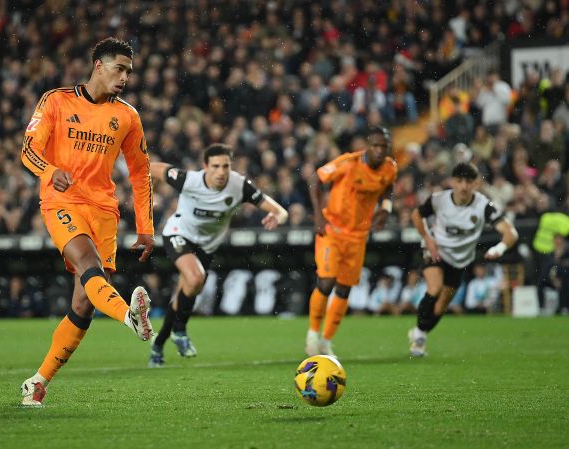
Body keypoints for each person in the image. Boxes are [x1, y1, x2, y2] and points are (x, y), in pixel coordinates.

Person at [19, 37, 155, 406]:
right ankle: (129, 316)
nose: (125, 77)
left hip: (104, 210)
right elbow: (27, 149)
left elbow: (141, 173)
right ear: (98, 65)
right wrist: (50, 170)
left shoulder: (127, 116)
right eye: (119, 68)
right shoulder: (57, 100)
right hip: (62, 201)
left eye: (128, 71)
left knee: (84, 304)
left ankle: (38, 382)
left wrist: (146, 228)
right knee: (88, 264)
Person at [147, 143, 289, 367]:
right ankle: (181, 331)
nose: (221, 172)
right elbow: (151, 167)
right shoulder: (189, 180)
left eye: (225, 166)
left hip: (207, 247)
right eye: (215, 166)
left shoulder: (239, 186)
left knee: (186, 292)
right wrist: (147, 191)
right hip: (179, 233)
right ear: (205, 166)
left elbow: (279, 210)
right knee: (195, 279)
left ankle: (158, 345)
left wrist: (279, 216)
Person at [408, 162, 518, 357]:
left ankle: (420, 332)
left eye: (468, 181)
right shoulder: (438, 200)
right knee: (434, 289)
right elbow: (416, 214)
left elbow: (511, 233)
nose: (464, 186)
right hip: (436, 251)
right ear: (452, 181)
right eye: (459, 181)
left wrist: (500, 247)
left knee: (441, 307)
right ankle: (419, 338)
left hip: (460, 261)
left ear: (476, 183)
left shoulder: (483, 205)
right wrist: (427, 238)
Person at [306, 125, 397, 356]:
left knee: (344, 289)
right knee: (326, 282)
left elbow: (388, 188)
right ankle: (313, 334)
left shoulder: (390, 168)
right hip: (332, 231)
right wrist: (317, 216)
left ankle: (326, 341)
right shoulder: (348, 163)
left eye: (383, 147)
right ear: (368, 145)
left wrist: (386, 209)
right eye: (375, 145)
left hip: (358, 236)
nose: (379, 150)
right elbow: (314, 180)